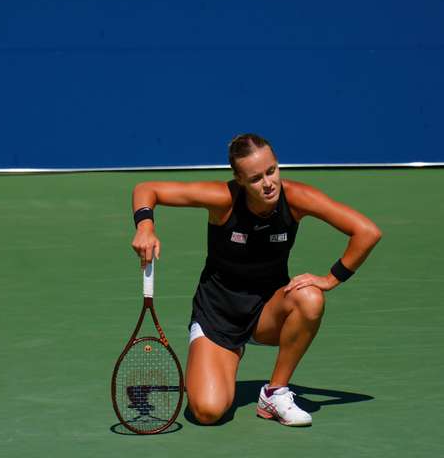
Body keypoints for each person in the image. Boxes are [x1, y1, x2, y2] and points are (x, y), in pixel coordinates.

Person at [130, 133, 382, 427]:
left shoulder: (297, 198)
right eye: (255, 178)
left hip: (267, 313)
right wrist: (145, 226)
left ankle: (275, 393)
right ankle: (223, 355)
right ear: (239, 179)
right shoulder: (222, 200)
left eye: (272, 170)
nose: (268, 183)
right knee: (208, 412)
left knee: (311, 297)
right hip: (218, 315)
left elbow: (367, 232)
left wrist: (329, 279)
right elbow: (147, 189)